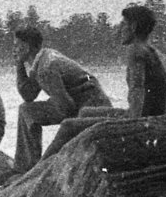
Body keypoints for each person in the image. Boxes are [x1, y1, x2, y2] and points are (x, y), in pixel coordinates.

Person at [41, 2, 166, 159]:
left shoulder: (136, 52)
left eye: (123, 24)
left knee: (68, 126)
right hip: (153, 117)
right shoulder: (158, 55)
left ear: (133, 27)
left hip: (140, 121)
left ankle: (37, 170)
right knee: (84, 112)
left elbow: (138, 95)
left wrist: (133, 129)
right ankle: (71, 159)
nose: (119, 29)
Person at [13, 26, 111, 172]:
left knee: (29, 112)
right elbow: (28, 95)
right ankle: (27, 165)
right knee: (27, 110)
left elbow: (66, 107)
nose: (14, 50)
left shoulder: (46, 67)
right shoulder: (42, 59)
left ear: (26, 47)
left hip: (90, 106)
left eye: (16, 46)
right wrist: (19, 66)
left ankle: (29, 168)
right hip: (80, 102)